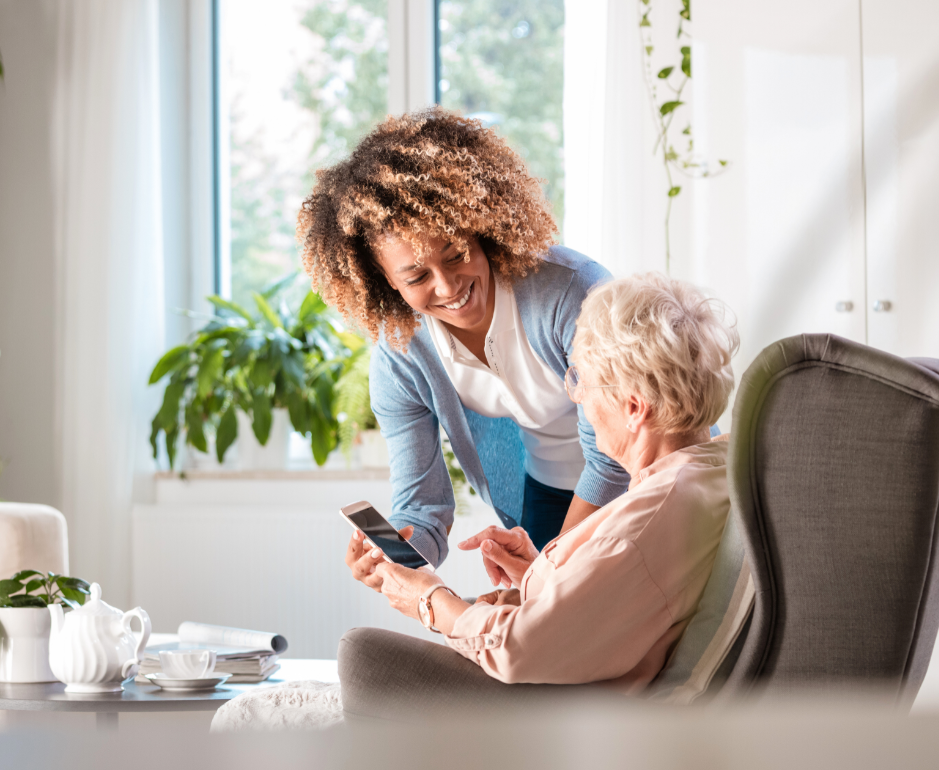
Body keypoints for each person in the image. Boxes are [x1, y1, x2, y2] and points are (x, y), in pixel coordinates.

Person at [299, 107, 634, 586]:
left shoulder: (570, 292)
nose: (448, 286)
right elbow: (424, 507)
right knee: (547, 650)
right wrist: (396, 555)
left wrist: (552, 571)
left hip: (637, 479)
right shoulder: (402, 357)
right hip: (548, 496)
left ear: (480, 229)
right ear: (385, 282)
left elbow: (613, 453)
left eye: (456, 254)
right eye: (416, 276)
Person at [364, 272, 740, 689]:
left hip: (564, 709)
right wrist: (541, 574)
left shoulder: (642, 525)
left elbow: (518, 648)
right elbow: (613, 599)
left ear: (634, 408)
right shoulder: (711, 472)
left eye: (582, 380)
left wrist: (427, 600)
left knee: (361, 654)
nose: (577, 398)